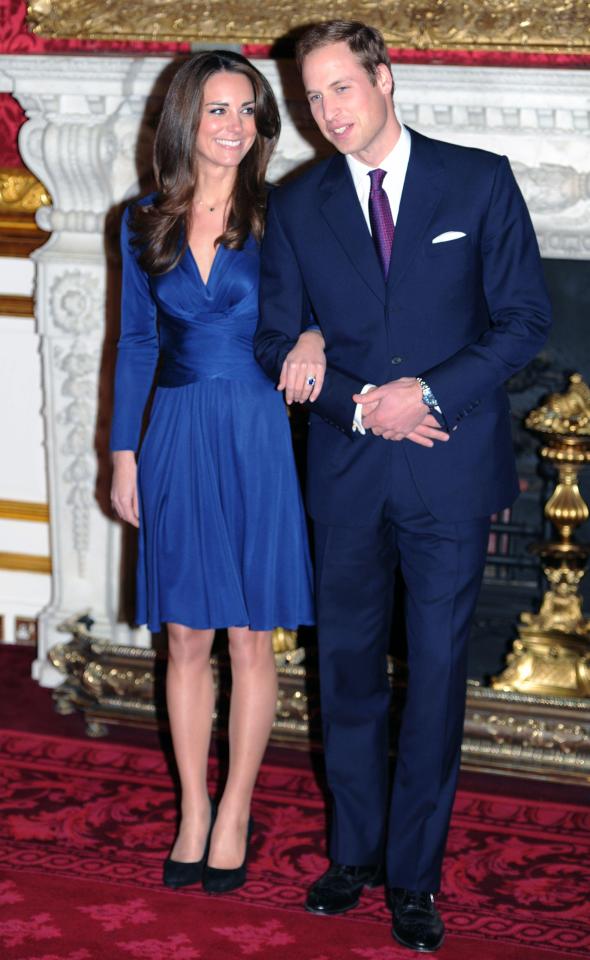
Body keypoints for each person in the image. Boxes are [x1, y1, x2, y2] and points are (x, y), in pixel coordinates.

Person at [254, 20, 551, 953]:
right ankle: (354, 855)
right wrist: (355, 405)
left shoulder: (479, 179)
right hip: (344, 474)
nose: (328, 112)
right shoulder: (296, 207)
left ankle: (414, 879)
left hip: (448, 471)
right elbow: (276, 340)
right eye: (312, 97)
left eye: (342, 88)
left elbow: (525, 321)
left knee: (432, 685)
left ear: (386, 78)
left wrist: (423, 394)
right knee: (344, 674)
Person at [110, 50, 315, 896]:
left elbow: (325, 311)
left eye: (249, 111)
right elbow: (135, 343)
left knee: (248, 635)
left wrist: (314, 340)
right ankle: (192, 808)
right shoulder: (141, 219)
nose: (236, 127)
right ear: (186, 118)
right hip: (176, 435)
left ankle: (236, 811)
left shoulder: (285, 213)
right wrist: (123, 452)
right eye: (219, 109)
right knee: (187, 636)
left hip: (259, 431)